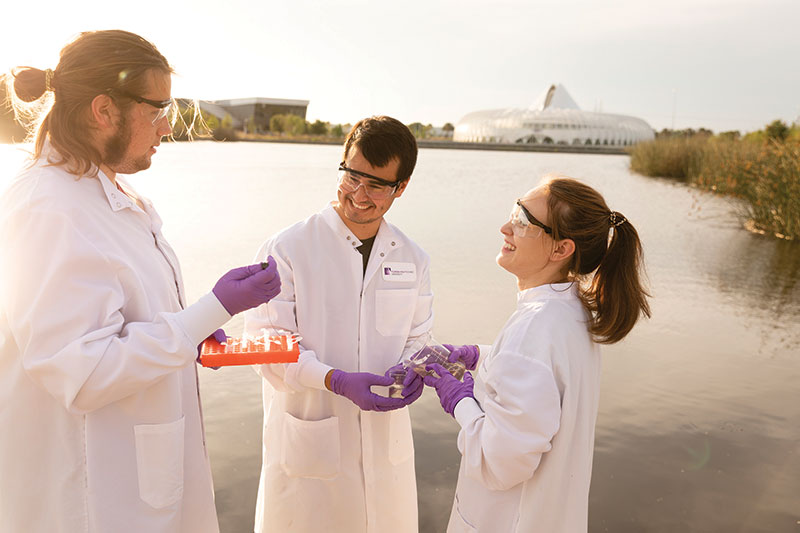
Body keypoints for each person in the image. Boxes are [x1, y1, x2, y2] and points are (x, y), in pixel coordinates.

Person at [0, 30, 281, 533]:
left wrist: (192, 333)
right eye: (157, 110)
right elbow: (83, 372)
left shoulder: (105, 191)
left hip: (139, 478)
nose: (168, 127)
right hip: (92, 501)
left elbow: (128, 319)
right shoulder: (50, 206)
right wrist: (211, 309)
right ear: (104, 110)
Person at [244, 116, 441, 533]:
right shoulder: (288, 248)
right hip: (309, 446)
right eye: (352, 176)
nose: (360, 194)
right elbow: (267, 347)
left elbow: (419, 338)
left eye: (377, 185)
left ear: (400, 187)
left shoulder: (412, 258)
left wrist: (414, 370)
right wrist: (333, 380)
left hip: (385, 447)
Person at [423, 176, 652, 532]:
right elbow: (542, 382)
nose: (505, 227)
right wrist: (480, 357)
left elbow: (497, 464)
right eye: (515, 211)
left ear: (561, 250)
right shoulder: (573, 309)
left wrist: (459, 401)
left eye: (523, 222)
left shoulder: (534, 328)